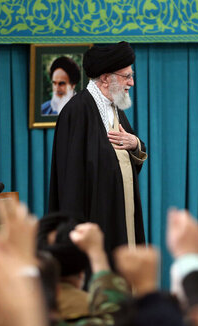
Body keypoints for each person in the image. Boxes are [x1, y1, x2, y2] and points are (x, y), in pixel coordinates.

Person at [48, 41, 147, 255]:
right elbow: (70, 181)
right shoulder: (77, 112)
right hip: (95, 216)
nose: (131, 82)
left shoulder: (114, 107)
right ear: (105, 78)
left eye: (131, 75)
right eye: (126, 76)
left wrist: (135, 144)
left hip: (121, 211)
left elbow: (123, 155)